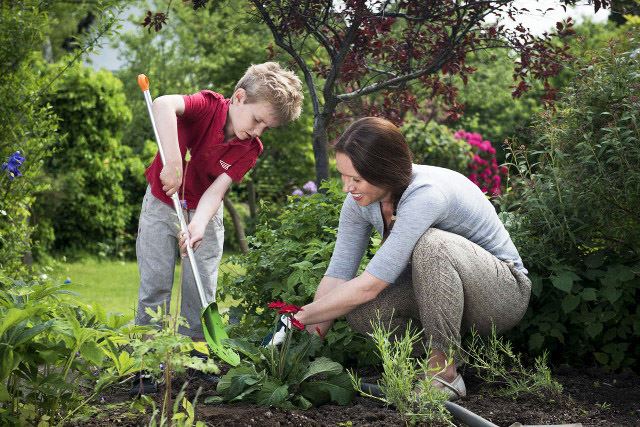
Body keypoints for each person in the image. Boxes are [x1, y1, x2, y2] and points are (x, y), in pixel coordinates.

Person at [277, 117, 531, 400]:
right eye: (343, 176)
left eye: (356, 179)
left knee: (431, 244)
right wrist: (302, 350)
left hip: (501, 295)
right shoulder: (358, 203)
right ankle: (428, 364)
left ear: (384, 171)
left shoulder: (426, 194)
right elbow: (338, 274)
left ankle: (444, 372)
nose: (347, 188)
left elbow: (370, 285)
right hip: (443, 295)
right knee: (362, 313)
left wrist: (297, 316)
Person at [132, 62, 303, 395]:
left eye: (266, 127)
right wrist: (173, 160)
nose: (258, 132)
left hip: (205, 215)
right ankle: (147, 363)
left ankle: (197, 361)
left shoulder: (249, 149)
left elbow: (216, 191)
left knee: (200, 291)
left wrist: (197, 225)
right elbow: (163, 104)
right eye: (257, 120)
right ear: (238, 98)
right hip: (159, 205)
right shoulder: (208, 106)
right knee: (155, 286)